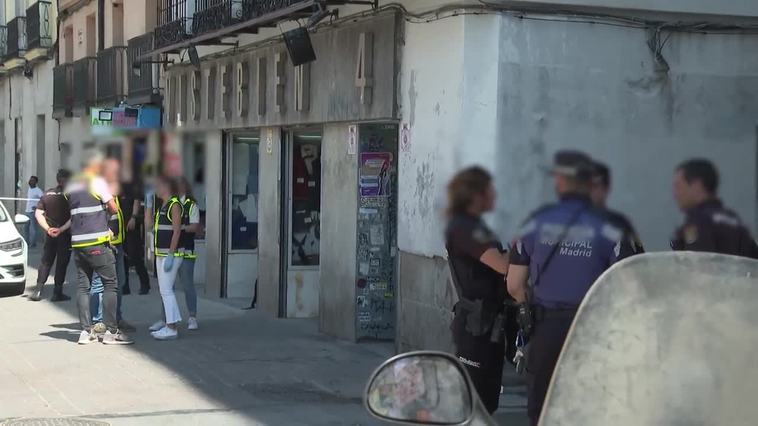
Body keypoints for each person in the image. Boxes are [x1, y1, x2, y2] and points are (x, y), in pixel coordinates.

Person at [507, 151, 637, 425]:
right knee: (590, 407)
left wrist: (526, 307)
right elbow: (628, 284)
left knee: (542, 408)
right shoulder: (611, 227)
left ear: (560, 183)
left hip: (546, 329)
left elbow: (514, 284)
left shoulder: (535, 222)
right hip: (592, 330)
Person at [444, 167, 510, 414]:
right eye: (490, 190)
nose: (494, 194)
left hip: (488, 324)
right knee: (474, 403)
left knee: (486, 401)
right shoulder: (464, 228)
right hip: (476, 326)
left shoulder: (475, 226)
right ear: (475, 195)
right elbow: (503, 265)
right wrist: (524, 248)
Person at [57, 153, 133, 345]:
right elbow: (114, 207)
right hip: (97, 242)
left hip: (78, 244)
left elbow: (77, 213)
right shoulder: (97, 183)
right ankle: (111, 332)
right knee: (110, 283)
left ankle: (85, 332)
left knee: (83, 287)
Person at [671, 159, 758, 258]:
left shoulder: (699, 221)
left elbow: (697, 265)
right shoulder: (736, 222)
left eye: (678, 186)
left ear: (696, 186)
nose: (675, 194)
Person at [88, 158, 135, 333]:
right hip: (104, 245)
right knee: (99, 284)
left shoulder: (112, 190)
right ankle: (97, 321)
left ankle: (116, 318)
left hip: (117, 244)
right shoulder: (97, 189)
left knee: (119, 283)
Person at [149, 176, 184, 340]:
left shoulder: (174, 204)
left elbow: (176, 231)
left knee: (167, 291)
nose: (155, 189)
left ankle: (171, 328)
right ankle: (171, 324)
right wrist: (148, 206)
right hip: (161, 254)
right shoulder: (163, 205)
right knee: (165, 291)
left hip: (170, 255)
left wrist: (171, 253)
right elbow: (150, 226)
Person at [30, 169, 73, 302]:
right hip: (64, 234)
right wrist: (61, 229)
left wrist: (48, 229)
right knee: (62, 262)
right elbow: (74, 216)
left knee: (46, 261)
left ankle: (38, 291)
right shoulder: (71, 195)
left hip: (50, 235)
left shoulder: (47, 193)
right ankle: (57, 292)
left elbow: (38, 213)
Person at [590, 161, 645, 254]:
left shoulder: (620, 225)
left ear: (606, 188)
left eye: (594, 185)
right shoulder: (569, 223)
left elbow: (638, 260)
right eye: (585, 186)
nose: (589, 191)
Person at [177, 177, 201, 330]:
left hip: (186, 251)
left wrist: (179, 228)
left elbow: (194, 227)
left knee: (187, 285)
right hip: (169, 251)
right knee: (167, 288)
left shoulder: (190, 205)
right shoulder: (169, 203)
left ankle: (192, 316)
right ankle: (165, 319)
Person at [123, 180, 151, 295]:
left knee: (135, 256)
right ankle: (125, 286)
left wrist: (134, 217)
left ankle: (145, 283)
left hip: (131, 225)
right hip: (120, 226)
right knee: (122, 256)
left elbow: (137, 200)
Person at [24, 176, 44, 248]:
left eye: (32, 180)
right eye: (30, 180)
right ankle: (27, 242)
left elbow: (43, 199)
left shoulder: (38, 190)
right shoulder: (29, 189)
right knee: (26, 228)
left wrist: (37, 207)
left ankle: (33, 244)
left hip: (33, 212)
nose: (30, 181)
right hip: (27, 211)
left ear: (36, 182)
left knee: (33, 228)